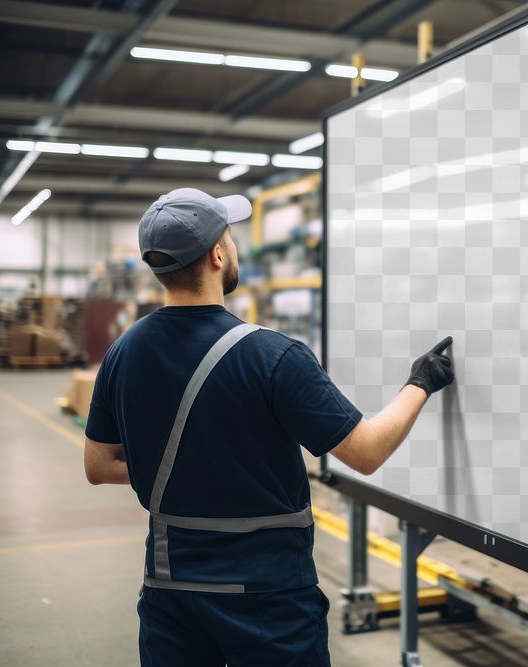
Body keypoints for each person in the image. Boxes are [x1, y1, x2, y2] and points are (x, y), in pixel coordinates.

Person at [83, 188, 455, 667]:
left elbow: (98, 465)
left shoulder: (123, 353)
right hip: (267, 597)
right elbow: (366, 451)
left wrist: (198, 466)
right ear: (218, 255)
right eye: (231, 236)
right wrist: (420, 382)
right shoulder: (272, 356)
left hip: (169, 593)